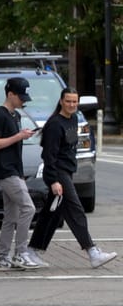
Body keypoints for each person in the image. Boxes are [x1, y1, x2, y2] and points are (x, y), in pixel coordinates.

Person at [29, 87, 114, 267]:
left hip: (67, 172)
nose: (71, 104)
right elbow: (49, 156)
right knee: (76, 210)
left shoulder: (74, 119)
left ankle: (32, 251)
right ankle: (92, 252)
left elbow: (69, 148)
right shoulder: (54, 125)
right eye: (68, 101)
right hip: (58, 173)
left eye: (75, 101)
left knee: (52, 214)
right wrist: (54, 181)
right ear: (61, 101)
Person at [0, 77, 40, 270]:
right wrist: (19, 136)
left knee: (11, 216)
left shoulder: (15, 115)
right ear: (10, 94)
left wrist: (21, 135)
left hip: (14, 171)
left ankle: (2, 258)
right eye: (21, 97)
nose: (23, 101)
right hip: (5, 170)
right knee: (29, 208)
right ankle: (20, 253)